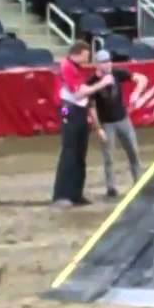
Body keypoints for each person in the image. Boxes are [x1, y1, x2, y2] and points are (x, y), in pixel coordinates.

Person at [53, 42, 116, 207]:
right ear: (79, 53)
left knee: (80, 152)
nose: (88, 59)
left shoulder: (76, 67)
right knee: (69, 150)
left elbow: (82, 92)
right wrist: (102, 84)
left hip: (77, 109)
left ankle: (75, 194)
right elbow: (78, 93)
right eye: (86, 55)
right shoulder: (67, 67)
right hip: (67, 109)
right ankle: (62, 195)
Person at [87, 50, 149, 198]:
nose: (108, 64)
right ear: (97, 64)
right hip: (106, 123)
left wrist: (137, 92)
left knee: (133, 151)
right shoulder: (92, 82)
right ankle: (111, 188)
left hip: (123, 119)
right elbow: (92, 108)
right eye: (104, 62)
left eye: (109, 61)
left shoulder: (117, 73)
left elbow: (142, 79)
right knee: (108, 156)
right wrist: (98, 128)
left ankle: (138, 181)